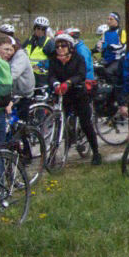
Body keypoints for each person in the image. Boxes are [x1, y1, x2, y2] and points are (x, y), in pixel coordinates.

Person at [47, 33, 101, 165]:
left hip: (78, 93)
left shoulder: (78, 58)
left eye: (63, 45)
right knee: (59, 121)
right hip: (62, 94)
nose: (60, 48)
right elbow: (51, 75)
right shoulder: (53, 59)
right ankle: (53, 154)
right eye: (57, 46)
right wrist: (55, 83)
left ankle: (96, 153)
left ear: (70, 47)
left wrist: (69, 82)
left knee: (85, 123)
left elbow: (81, 74)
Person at [23, 16, 53, 87]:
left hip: (42, 77)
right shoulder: (29, 40)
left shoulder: (49, 42)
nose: (40, 31)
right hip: (28, 75)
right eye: (38, 28)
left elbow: (54, 59)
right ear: (34, 28)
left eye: (43, 29)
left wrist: (41, 65)